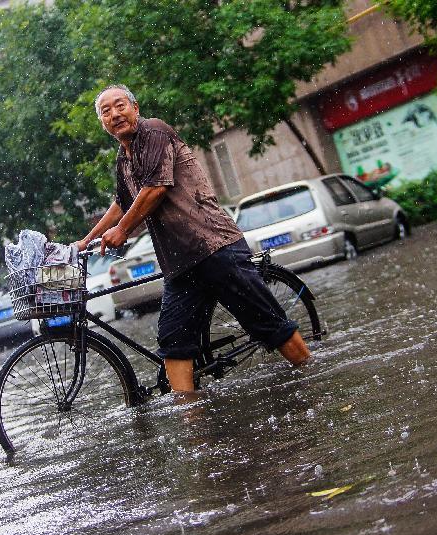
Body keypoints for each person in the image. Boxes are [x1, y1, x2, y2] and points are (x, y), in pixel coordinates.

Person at [76, 84, 310, 392]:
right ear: (102, 123)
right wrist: (86, 240)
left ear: (135, 108)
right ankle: (190, 417)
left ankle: (312, 375)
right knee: (174, 342)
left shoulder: (155, 133)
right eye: (106, 111)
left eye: (120, 106)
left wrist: (122, 230)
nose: (115, 114)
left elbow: (156, 188)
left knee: (269, 326)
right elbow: (122, 202)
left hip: (214, 247)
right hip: (180, 265)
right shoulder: (123, 158)